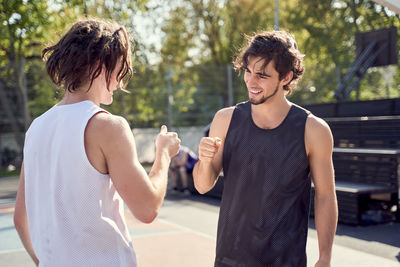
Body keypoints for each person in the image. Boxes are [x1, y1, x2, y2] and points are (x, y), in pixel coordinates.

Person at [13, 19, 180, 266]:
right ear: (101, 65)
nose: (121, 82)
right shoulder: (108, 127)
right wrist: (163, 154)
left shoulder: (36, 128)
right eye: (121, 69)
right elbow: (147, 209)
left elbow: (20, 219)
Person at [193, 30, 338, 267]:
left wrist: (325, 257)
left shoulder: (313, 130)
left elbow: (325, 195)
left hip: (286, 260)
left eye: (262, 75)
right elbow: (202, 185)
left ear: (286, 77)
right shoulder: (225, 120)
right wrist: (205, 161)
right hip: (230, 259)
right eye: (248, 72)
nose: (251, 82)